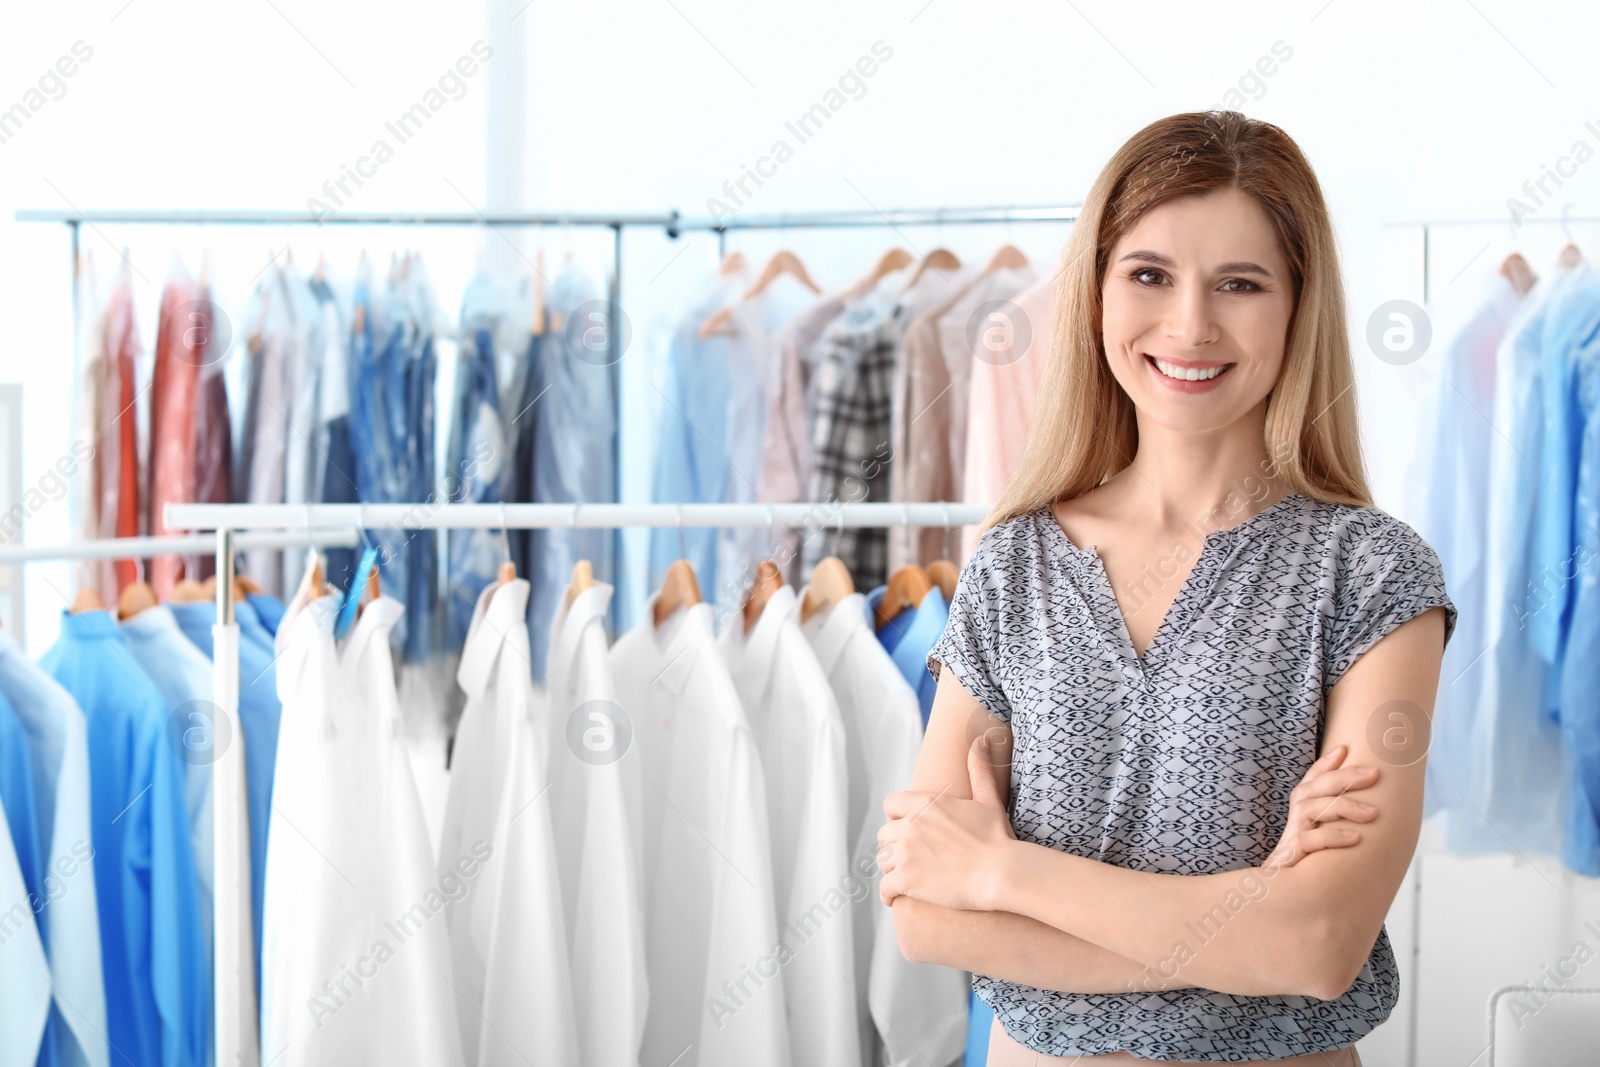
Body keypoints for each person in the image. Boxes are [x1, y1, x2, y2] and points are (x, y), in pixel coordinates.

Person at [875, 110, 1455, 1065]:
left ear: (1297, 308)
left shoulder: (1372, 573)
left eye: (1241, 283)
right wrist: (1242, 918)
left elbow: (1316, 945)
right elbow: (928, 919)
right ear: (1096, 292)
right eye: (1149, 274)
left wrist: (1003, 870)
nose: (1190, 324)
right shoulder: (1012, 563)